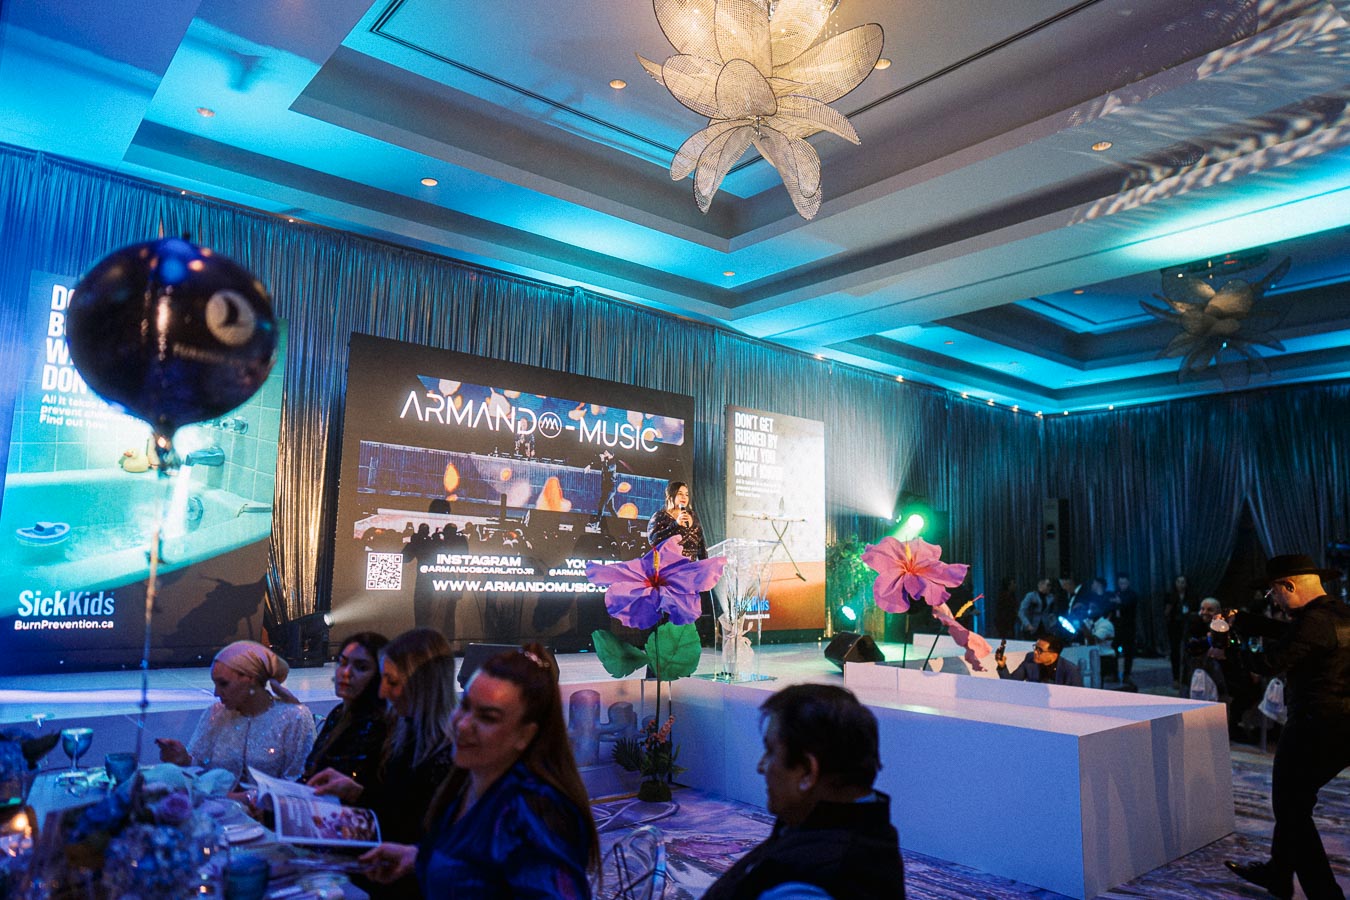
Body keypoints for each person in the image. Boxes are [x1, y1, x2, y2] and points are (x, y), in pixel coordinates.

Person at [359, 644, 599, 898]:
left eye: (488, 717)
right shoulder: (468, 781)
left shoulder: (535, 815)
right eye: (464, 706)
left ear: (525, 734)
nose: (463, 725)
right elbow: (479, 866)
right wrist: (417, 858)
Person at [1223, 554, 1350, 900]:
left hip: (1314, 726)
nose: (1274, 601)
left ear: (1289, 586)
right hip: (1341, 728)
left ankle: (1325, 895)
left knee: (1291, 811)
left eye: (1272, 593)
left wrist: (1227, 649)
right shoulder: (1338, 614)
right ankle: (1278, 875)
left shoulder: (1312, 623)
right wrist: (1246, 621)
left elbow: (1266, 663)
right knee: (1295, 803)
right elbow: (1293, 634)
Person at [703, 683, 904, 899]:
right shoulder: (833, 829)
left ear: (808, 771)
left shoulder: (810, 881)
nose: (761, 767)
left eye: (770, 753)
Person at [309, 629, 458, 845]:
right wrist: (356, 793)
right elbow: (392, 810)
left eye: (393, 682)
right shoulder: (406, 732)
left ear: (423, 686)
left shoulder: (449, 751)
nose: (382, 692)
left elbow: (419, 830)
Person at [156, 640, 316, 781]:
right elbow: (200, 771)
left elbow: (300, 781)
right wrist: (183, 760)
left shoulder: (294, 718)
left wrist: (256, 801)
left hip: (269, 812)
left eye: (223, 684)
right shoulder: (216, 713)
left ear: (250, 679)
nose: (216, 693)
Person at [302, 632, 390, 785]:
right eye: (342, 663)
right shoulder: (338, 713)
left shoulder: (380, 724)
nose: (346, 673)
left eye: (361, 667)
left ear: (380, 675)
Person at [647, 480, 713, 642]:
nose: (684, 497)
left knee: (687, 615)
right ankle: (662, 659)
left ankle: (680, 657)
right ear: (670, 496)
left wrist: (705, 566)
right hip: (669, 573)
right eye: (680, 494)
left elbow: (700, 543)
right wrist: (675, 525)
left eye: (686, 494)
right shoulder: (661, 516)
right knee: (669, 616)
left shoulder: (693, 516)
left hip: (689, 575)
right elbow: (653, 539)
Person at [995, 634, 1083, 686]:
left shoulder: (1071, 670)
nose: (1035, 652)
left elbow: (1078, 698)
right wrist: (1002, 667)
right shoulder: (1030, 659)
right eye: (1035, 648)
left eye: (1040, 650)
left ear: (1054, 655)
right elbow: (1011, 684)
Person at [1108, 573, 1139, 685]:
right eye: (1120, 583)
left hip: (1128, 627)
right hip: (1117, 627)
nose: (1122, 585)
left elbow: (1127, 603)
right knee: (1113, 650)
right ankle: (1114, 674)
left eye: (1124, 583)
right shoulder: (1115, 593)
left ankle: (1127, 675)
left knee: (1128, 652)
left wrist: (1118, 601)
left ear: (1128, 583)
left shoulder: (1132, 594)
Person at [1163, 574, 1194, 685]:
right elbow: (1166, 613)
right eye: (1178, 582)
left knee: (1188, 651)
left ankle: (1187, 677)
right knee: (1175, 651)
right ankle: (1175, 678)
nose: (1180, 584)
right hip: (1174, 626)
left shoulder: (1191, 595)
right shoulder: (1170, 595)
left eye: (1183, 582)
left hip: (1188, 626)